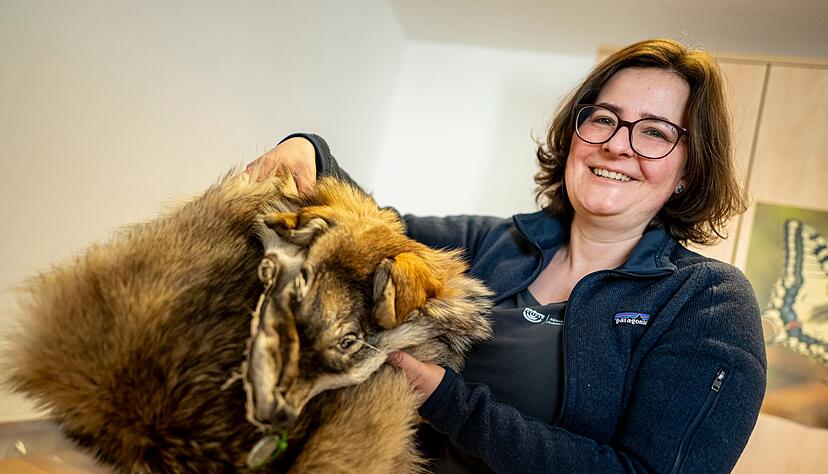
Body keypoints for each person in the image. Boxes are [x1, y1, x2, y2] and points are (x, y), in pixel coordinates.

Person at [246, 39, 766, 473]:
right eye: (604, 118)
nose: (617, 144)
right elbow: (370, 229)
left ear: (689, 173)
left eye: (654, 131)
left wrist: (450, 403)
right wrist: (311, 150)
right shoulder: (492, 243)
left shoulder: (705, 299)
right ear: (575, 136)